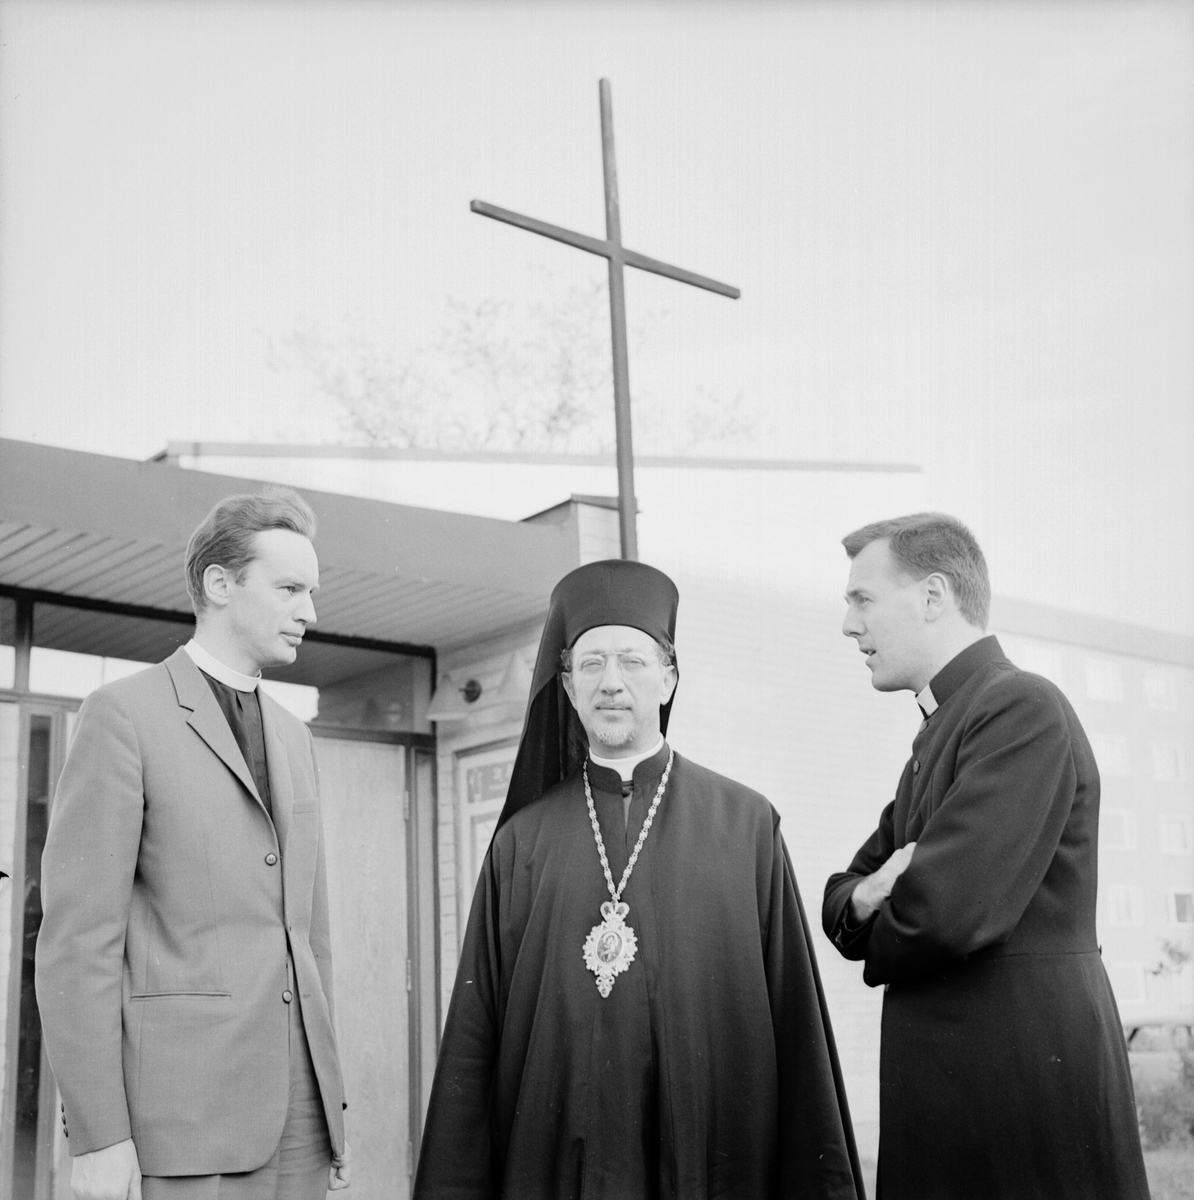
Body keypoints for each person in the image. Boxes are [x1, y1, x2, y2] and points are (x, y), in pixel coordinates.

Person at [414, 559, 864, 1200]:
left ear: (669, 676)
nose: (611, 683)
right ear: (566, 685)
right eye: (591, 664)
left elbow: (795, 1022)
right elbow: (475, 1034)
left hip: (709, 1156)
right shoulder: (522, 842)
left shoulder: (745, 825)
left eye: (632, 661)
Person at [36, 487, 351, 1200]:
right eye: (291, 588)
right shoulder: (123, 716)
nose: (311, 612)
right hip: (176, 1127)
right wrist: (99, 1138)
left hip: (298, 1124)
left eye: (313, 591)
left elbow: (311, 938)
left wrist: (330, 1111)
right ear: (220, 584)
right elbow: (76, 946)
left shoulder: (297, 739)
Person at [823, 513, 1148, 1199]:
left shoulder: (1020, 708)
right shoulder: (943, 729)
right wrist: (865, 896)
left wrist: (888, 897)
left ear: (933, 596)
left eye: (862, 599)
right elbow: (844, 897)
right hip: (961, 1088)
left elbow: (943, 910)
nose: (849, 626)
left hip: (1018, 1090)